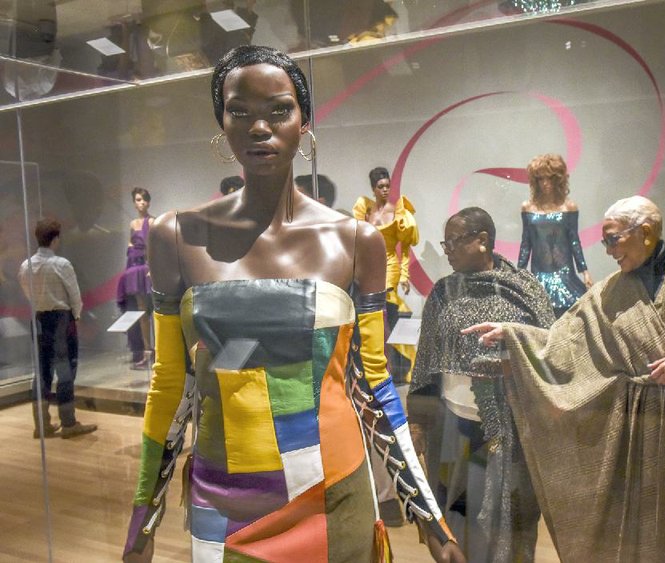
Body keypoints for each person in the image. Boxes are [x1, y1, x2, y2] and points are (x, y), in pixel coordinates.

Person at [122, 45, 463, 563]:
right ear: (222, 123)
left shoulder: (355, 241)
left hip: (333, 494)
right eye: (241, 111)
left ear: (304, 123)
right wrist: (143, 512)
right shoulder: (176, 235)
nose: (261, 127)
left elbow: (373, 384)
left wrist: (430, 521)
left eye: (279, 109)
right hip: (227, 497)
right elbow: (172, 383)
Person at [467, 196, 665, 561]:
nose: (607, 251)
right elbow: (564, 341)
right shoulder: (609, 293)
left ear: (645, 232)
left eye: (613, 239)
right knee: (647, 531)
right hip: (643, 436)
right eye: (604, 241)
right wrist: (513, 334)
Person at [409, 207, 554, 562]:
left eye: (454, 241)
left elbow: (551, 347)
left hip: (511, 430)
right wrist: (416, 420)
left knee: (512, 518)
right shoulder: (443, 292)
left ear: (482, 240)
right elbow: (426, 360)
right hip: (451, 427)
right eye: (445, 243)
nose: (448, 250)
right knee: (455, 513)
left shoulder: (524, 289)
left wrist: (514, 352)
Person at [18, 218, 97, 439]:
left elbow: (28, 293)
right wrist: (77, 316)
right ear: (55, 239)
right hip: (62, 319)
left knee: (42, 372)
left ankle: (42, 425)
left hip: (39, 319)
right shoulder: (61, 264)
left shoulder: (26, 266)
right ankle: (69, 423)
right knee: (65, 372)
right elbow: (75, 296)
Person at [352, 167, 418, 383]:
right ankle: (375, 360)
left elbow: (405, 247)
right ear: (373, 188)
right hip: (368, 264)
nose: (385, 190)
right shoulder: (365, 210)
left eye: (388, 186)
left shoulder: (397, 212)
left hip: (390, 265)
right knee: (374, 314)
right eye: (381, 186)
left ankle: (396, 364)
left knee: (387, 311)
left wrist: (405, 275)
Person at [517, 153, 593, 317]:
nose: (545, 183)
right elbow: (526, 243)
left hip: (565, 274)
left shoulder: (569, 207)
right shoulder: (528, 207)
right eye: (540, 179)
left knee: (572, 316)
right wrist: (519, 273)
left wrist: (585, 271)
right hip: (539, 275)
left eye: (549, 178)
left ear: (558, 179)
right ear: (535, 181)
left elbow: (574, 241)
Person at [117, 187, 153, 370]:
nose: (141, 203)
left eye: (144, 199)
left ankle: (154, 352)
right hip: (134, 272)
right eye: (138, 200)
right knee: (141, 313)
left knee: (152, 312)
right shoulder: (133, 224)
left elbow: (153, 249)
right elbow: (131, 250)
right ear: (134, 202)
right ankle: (147, 351)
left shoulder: (152, 222)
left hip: (148, 271)